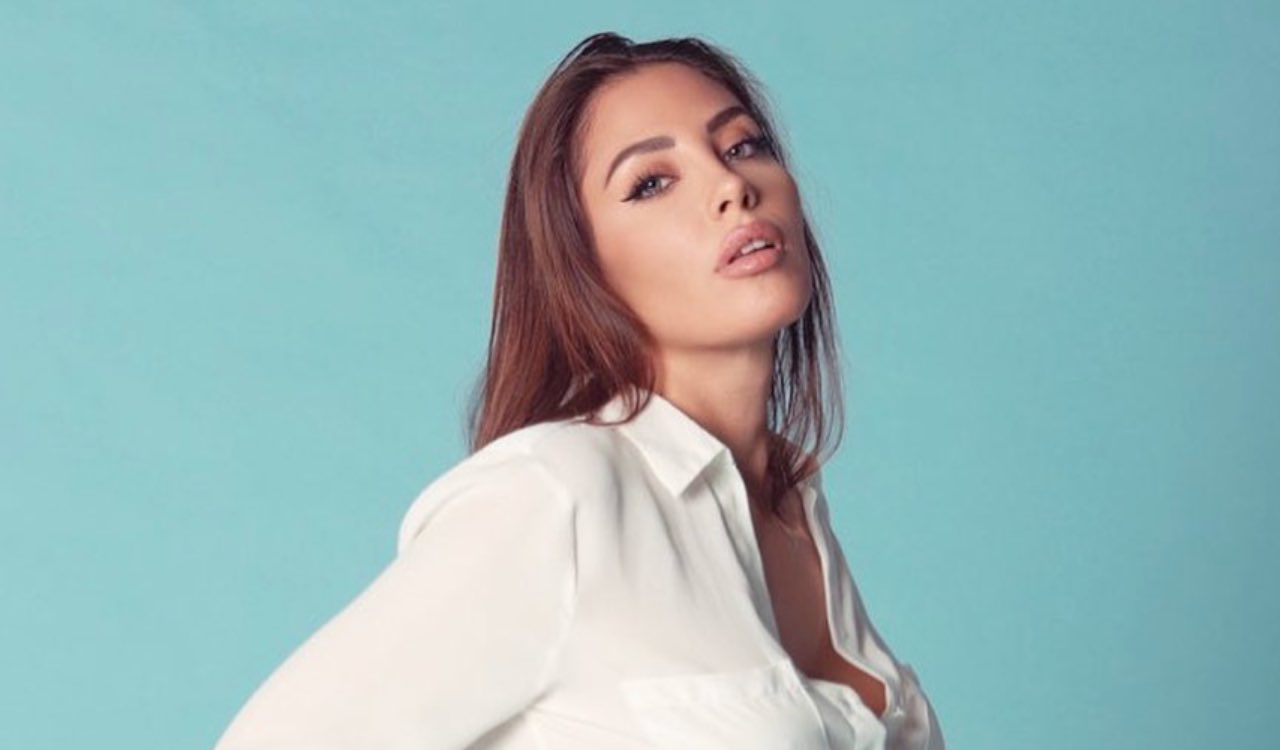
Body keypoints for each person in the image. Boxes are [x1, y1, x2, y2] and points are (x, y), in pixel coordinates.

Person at [213, 32, 946, 750]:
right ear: (583, 270)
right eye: (651, 183)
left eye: (742, 145)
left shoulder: (795, 509)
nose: (732, 187)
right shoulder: (560, 495)